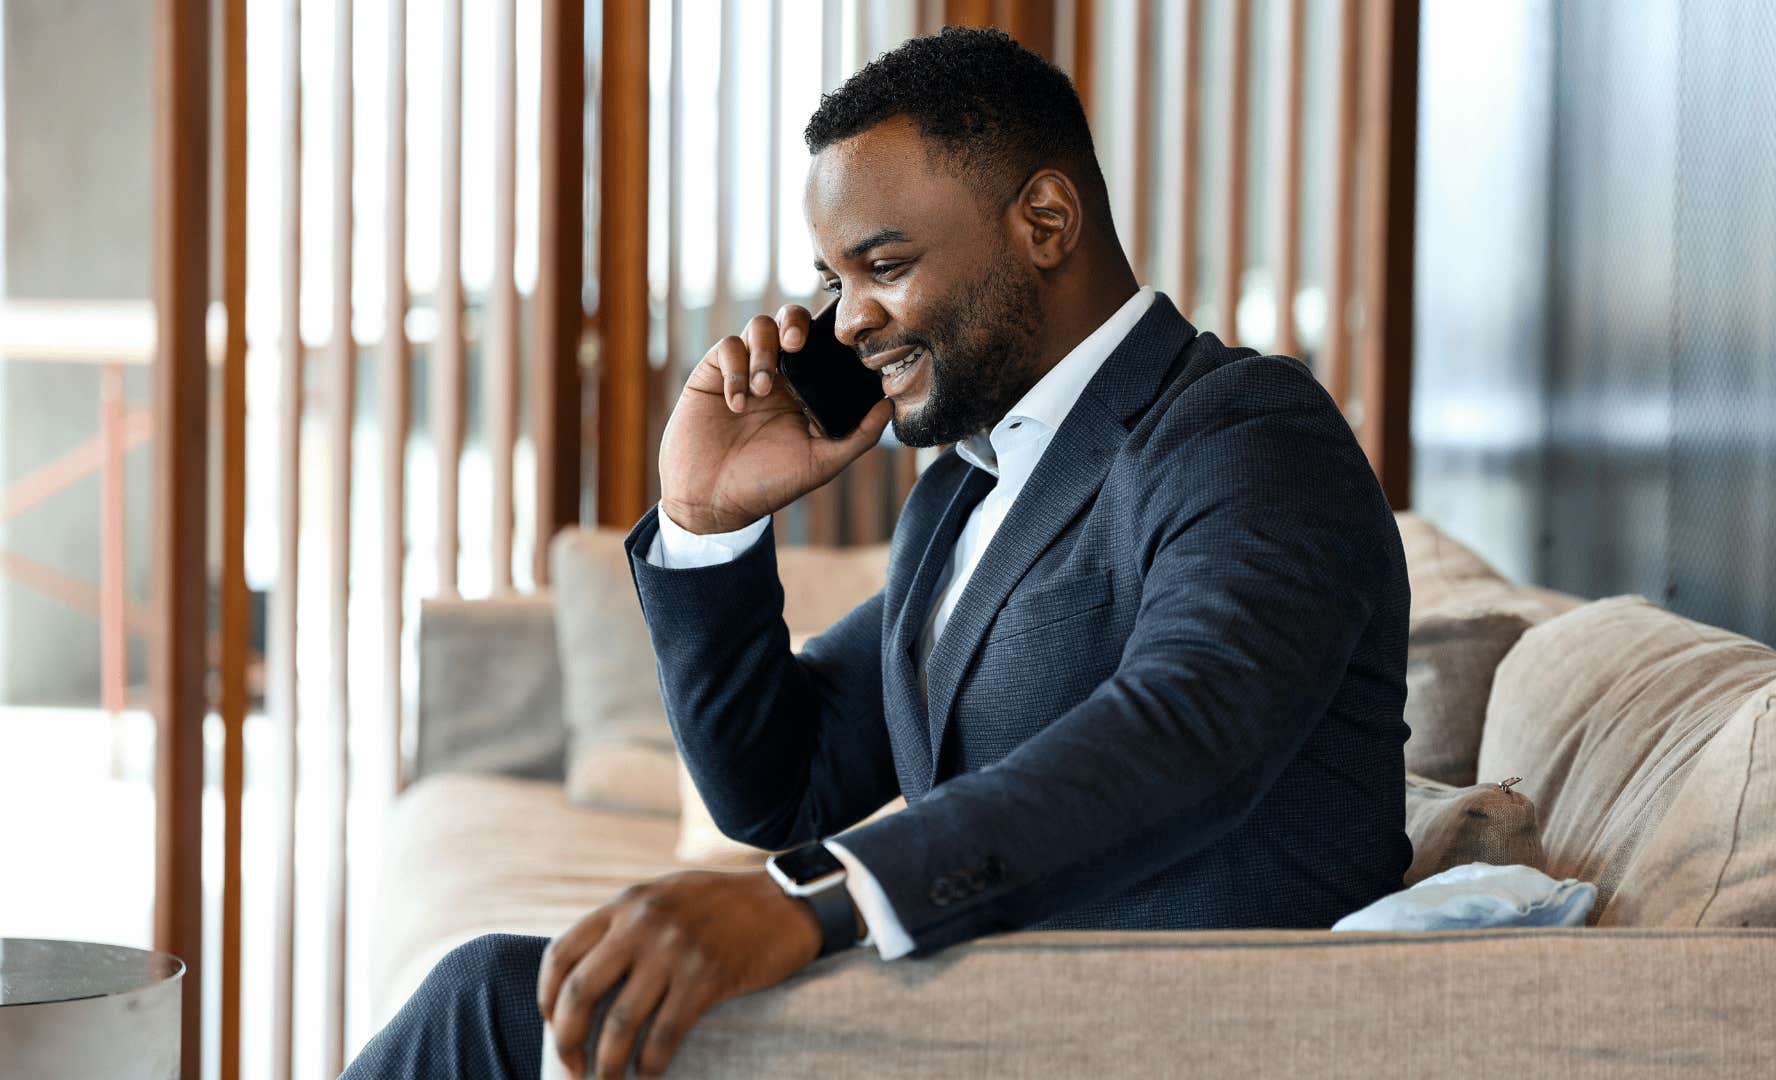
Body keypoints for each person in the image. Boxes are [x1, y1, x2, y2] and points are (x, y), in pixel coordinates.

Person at [346, 26, 1410, 1080]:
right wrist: (706, 522)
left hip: (1150, 1034)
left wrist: (824, 898)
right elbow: (781, 789)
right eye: (833, 277)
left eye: (884, 266)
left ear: (1045, 220)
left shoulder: (1243, 431)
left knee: (485, 1008)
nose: (847, 320)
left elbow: (1194, 726)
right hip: (970, 1021)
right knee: (498, 995)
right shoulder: (964, 491)